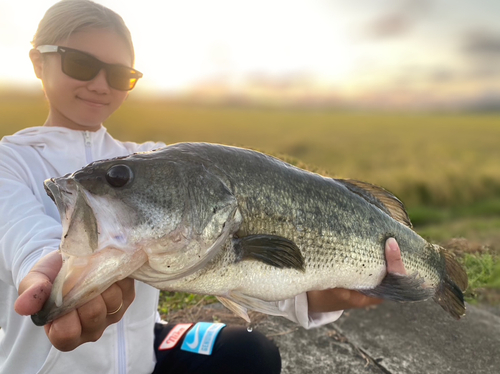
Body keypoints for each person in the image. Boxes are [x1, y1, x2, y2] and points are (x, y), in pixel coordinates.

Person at [0, 1, 407, 373]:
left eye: (121, 75)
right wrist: (43, 264)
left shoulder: (156, 160)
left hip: (146, 356)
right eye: (81, 65)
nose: (101, 85)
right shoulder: (10, 161)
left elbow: (233, 260)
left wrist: (318, 298)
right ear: (38, 62)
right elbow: (22, 233)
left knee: (253, 355)